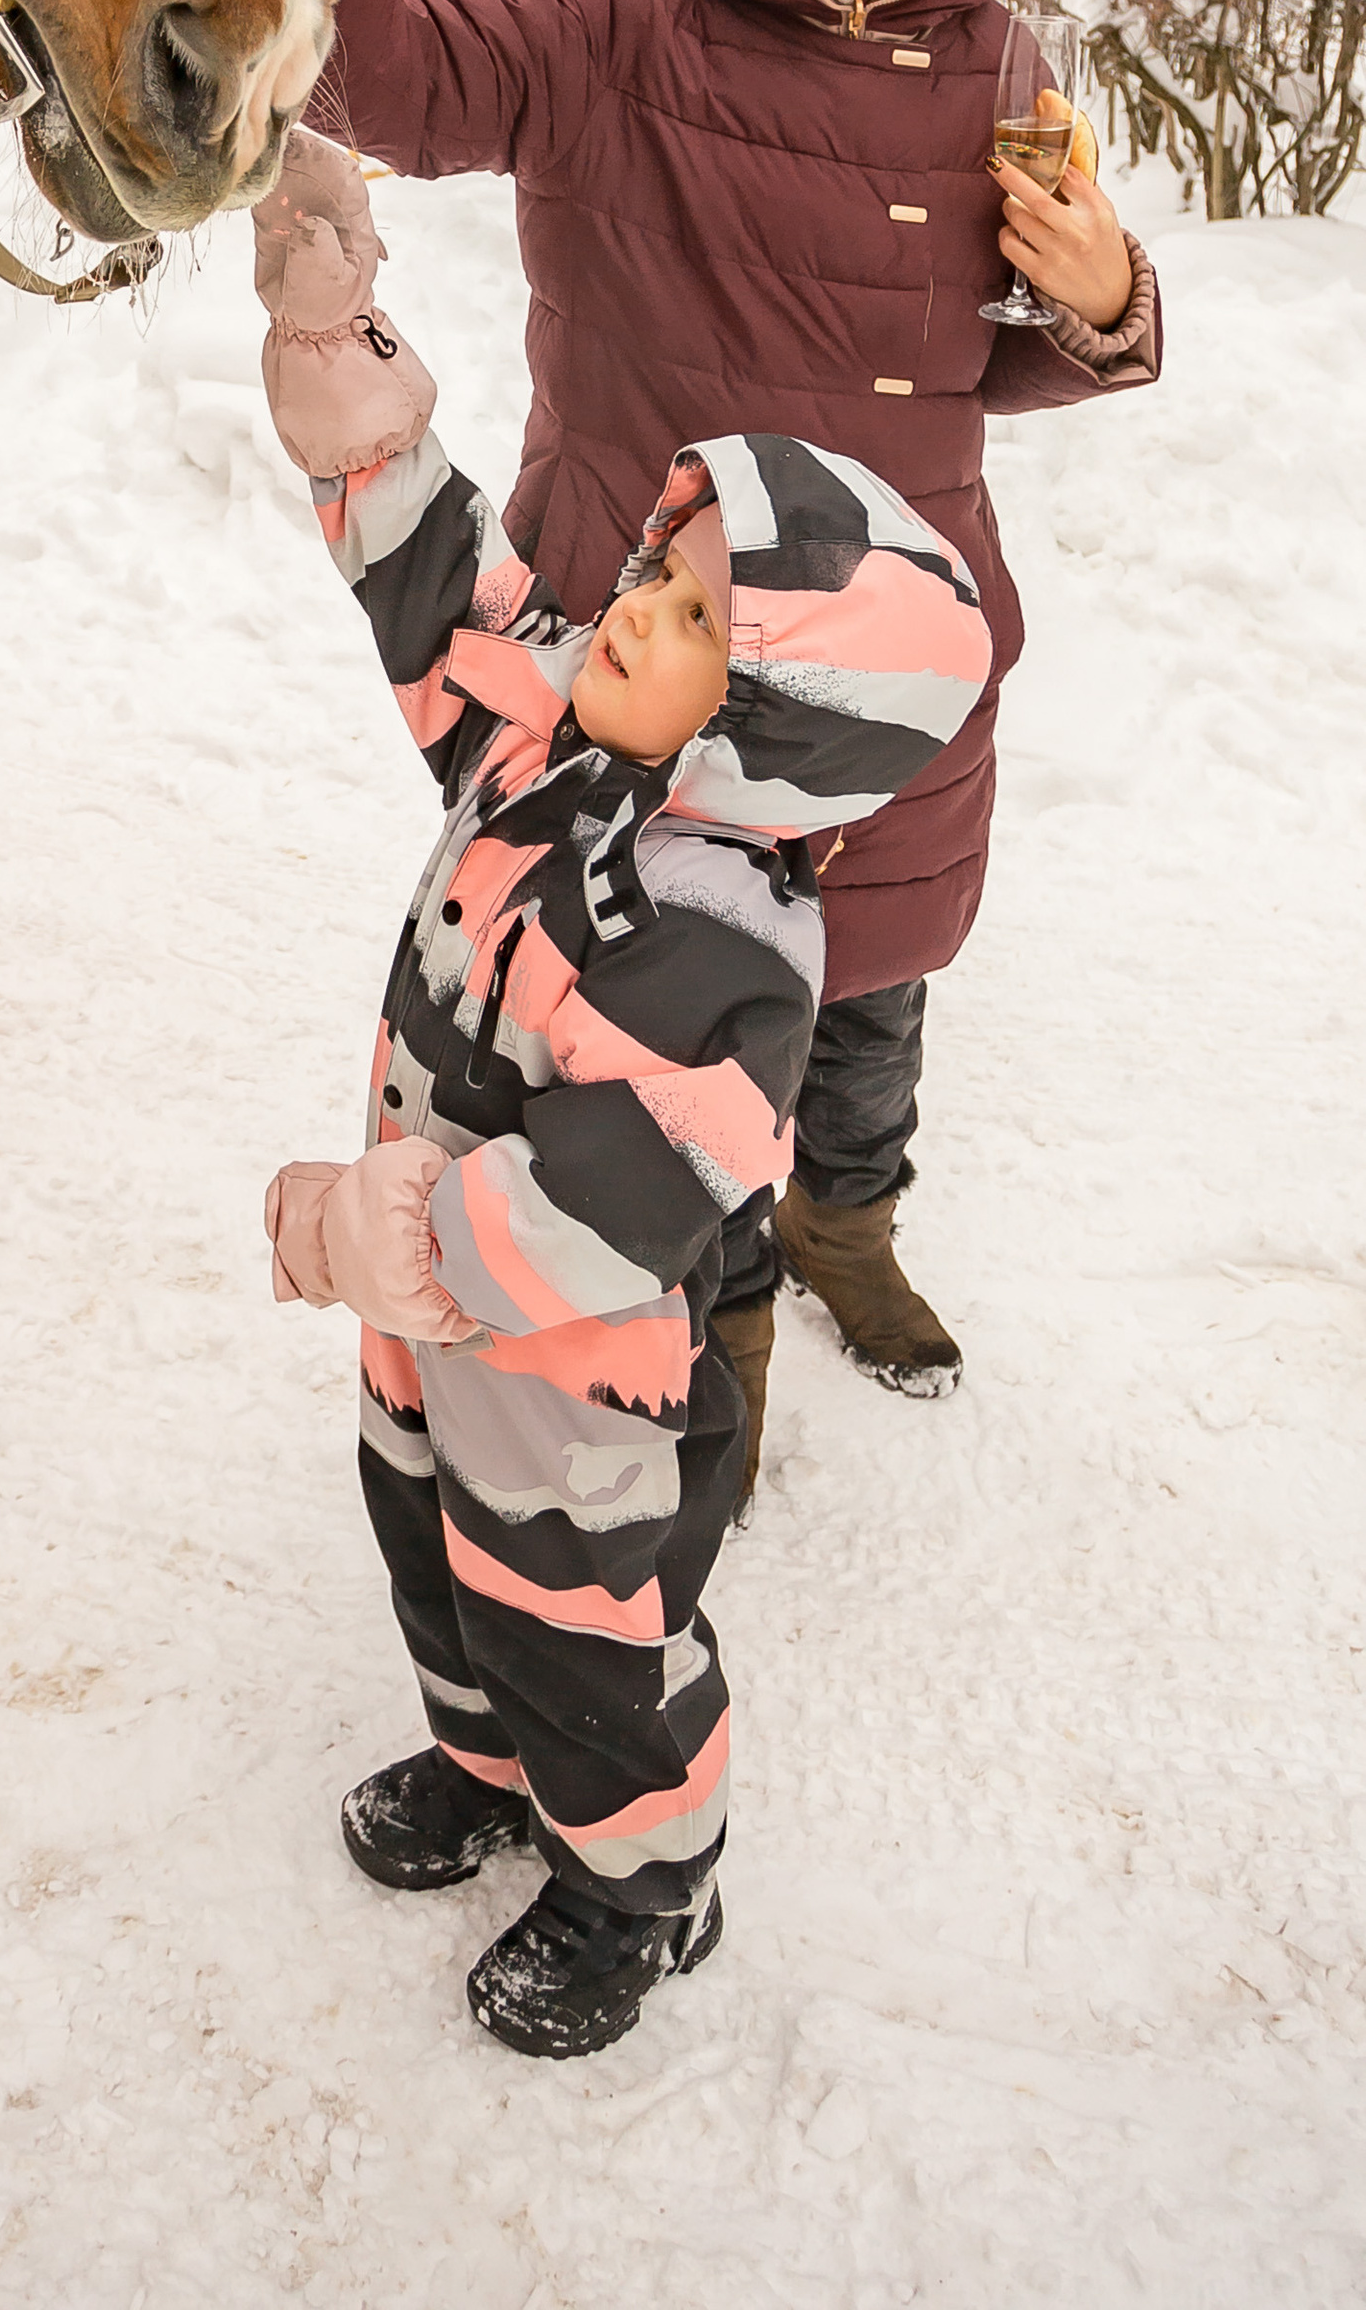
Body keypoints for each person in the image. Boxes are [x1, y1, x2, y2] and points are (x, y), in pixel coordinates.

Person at [274, 0, 1160, 1476]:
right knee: (664, 1021)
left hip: (880, 656)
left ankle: (851, 1222)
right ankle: (722, 1310)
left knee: (874, 985)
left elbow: (975, 345)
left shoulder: (994, 61)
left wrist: (1101, 300)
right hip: (654, 631)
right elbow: (414, 78)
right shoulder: (621, 6)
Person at [253, 130, 991, 2055]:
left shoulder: (728, 947)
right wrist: (342, 360)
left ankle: (644, 1885)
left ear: (771, 731)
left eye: (693, 625)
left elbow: (601, 1201)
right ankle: (484, 1767)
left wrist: (370, 1234)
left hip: (571, 1370)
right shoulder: (570, 732)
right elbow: (447, 596)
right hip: (432, 1326)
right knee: (423, 1538)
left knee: (578, 1621)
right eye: (662, 572)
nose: (636, 610)